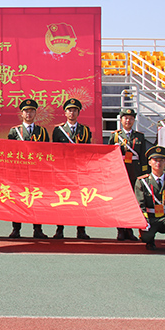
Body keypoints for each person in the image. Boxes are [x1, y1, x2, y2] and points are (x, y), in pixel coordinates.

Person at [7, 99, 49, 239]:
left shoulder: (42, 131)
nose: (28, 114)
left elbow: (47, 152)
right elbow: (10, 152)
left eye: (31, 111)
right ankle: (16, 229)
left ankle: (37, 229)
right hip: (19, 172)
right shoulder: (14, 131)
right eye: (26, 111)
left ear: (35, 113)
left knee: (36, 200)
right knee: (17, 200)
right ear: (22, 113)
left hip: (36, 172)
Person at [52, 98, 91, 240]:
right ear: (65, 113)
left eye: (74, 110)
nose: (72, 113)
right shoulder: (58, 130)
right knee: (61, 199)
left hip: (79, 170)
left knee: (80, 200)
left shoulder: (85, 130)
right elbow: (54, 151)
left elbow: (88, 150)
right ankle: (59, 229)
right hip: (63, 170)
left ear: (78, 113)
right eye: (69, 110)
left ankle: (81, 230)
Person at [108, 108, 147, 241]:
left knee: (133, 202)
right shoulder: (115, 136)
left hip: (134, 172)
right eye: (125, 118)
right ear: (121, 120)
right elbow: (109, 155)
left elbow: (143, 157)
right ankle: (120, 229)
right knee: (120, 201)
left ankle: (130, 229)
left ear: (134, 120)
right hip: (120, 171)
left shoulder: (139, 136)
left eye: (131, 118)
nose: (128, 121)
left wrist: (143, 174)